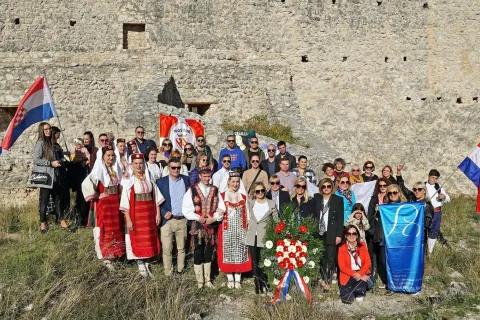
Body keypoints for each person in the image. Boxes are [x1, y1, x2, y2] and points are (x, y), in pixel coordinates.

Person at [120, 153, 164, 277]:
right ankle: (140, 264)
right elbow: (125, 202)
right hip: (137, 216)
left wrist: (158, 214)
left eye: (140, 163)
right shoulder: (129, 181)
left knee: (148, 238)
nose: (138, 166)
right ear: (132, 165)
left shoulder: (149, 178)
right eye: (136, 163)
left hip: (149, 215)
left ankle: (147, 263)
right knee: (139, 238)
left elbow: (155, 197)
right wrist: (128, 219)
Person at [82, 145, 125, 270]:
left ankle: (115, 255)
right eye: (108, 155)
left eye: (112, 155)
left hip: (116, 204)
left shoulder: (116, 169)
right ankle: (106, 257)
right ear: (103, 157)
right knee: (105, 229)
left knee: (116, 228)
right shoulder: (98, 170)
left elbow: (121, 184)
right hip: (104, 206)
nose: (111, 157)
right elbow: (86, 183)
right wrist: (97, 195)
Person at [182, 166, 226, 289]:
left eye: (208, 176)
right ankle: (200, 282)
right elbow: (186, 209)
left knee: (208, 252)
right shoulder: (192, 190)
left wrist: (215, 218)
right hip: (198, 226)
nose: (207, 178)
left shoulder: (215, 190)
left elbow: (222, 208)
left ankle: (208, 280)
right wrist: (197, 217)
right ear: (200, 176)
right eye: (204, 176)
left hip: (211, 226)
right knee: (198, 252)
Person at [33, 122, 70, 233]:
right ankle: (43, 224)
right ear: (42, 131)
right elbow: (36, 160)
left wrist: (60, 160)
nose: (48, 131)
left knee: (57, 200)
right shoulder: (40, 143)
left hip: (55, 176)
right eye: (46, 129)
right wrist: (50, 163)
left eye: (49, 129)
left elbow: (55, 157)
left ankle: (62, 221)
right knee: (44, 202)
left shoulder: (51, 143)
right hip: (46, 177)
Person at [218, 171, 252, 289]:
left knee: (240, 251)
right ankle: (229, 277)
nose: (235, 184)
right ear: (228, 182)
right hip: (226, 229)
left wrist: (247, 225)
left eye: (237, 182)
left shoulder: (243, 196)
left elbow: (247, 212)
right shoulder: (222, 196)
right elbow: (219, 212)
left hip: (240, 229)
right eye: (233, 182)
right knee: (227, 251)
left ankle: (238, 277)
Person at [157, 157, 191, 276]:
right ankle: (168, 273)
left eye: (178, 168)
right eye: (173, 168)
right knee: (167, 249)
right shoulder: (161, 182)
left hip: (182, 220)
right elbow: (156, 200)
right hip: (167, 221)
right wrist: (162, 212)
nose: (176, 170)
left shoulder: (186, 180)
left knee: (181, 248)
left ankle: (180, 270)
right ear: (168, 168)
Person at [247, 181, 279, 294]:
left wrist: (277, 232)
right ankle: (258, 285)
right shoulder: (251, 203)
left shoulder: (271, 203)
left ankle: (265, 282)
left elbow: (276, 220)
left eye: (262, 190)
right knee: (255, 262)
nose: (260, 193)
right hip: (252, 236)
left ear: (265, 191)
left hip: (265, 236)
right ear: (254, 193)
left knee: (265, 261)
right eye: (257, 191)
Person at [314, 178, 344, 291]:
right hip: (319, 232)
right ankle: (321, 279)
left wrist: (339, 235)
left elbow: (340, 218)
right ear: (321, 188)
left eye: (328, 186)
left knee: (331, 257)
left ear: (332, 187)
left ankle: (327, 280)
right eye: (324, 186)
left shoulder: (338, 200)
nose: (326, 188)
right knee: (321, 257)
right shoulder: (316, 198)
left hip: (332, 231)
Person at [376, 184, 407, 295]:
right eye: (390, 193)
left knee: (396, 262)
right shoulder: (385, 207)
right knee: (384, 261)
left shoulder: (404, 206)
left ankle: (393, 285)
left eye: (395, 192)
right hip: (385, 238)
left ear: (399, 193)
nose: (392, 195)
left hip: (398, 240)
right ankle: (389, 281)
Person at [396, 165, 434, 252]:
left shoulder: (427, 206)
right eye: (415, 189)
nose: (416, 191)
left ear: (424, 190)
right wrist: (398, 171)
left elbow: (428, 224)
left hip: (419, 237)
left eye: (419, 189)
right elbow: (401, 187)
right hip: (407, 234)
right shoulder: (411, 198)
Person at [338, 225, 372, 304]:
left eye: (354, 233)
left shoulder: (362, 245)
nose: (351, 235)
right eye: (349, 233)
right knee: (347, 299)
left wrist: (360, 273)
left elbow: (368, 262)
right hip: (348, 274)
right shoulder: (342, 248)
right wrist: (356, 274)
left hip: (362, 272)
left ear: (357, 235)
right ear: (346, 236)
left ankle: (359, 290)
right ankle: (352, 289)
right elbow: (342, 267)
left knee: (359, 294)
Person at [366, 178, 391, 283]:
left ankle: (387, 273)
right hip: (375, 226)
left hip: (387, 227)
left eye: (384, 185)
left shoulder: (391, 196)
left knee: (384, 251)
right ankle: (374, 270)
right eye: (380, 186)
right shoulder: (374, 198)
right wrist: (375, 211)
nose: (382, 187)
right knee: (374, 250)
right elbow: (370, 214)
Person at [425, 169, 450, 254]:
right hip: (427, 212)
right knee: (425, 229)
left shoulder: (438, 186)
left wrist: (443, 197)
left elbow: (448, 198)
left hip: (437, 212)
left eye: (436, 178)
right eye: (432, 178)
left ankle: (430, 251)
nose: (434, 180)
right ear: (429, 176)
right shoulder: (423, 186)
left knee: (434, 230)